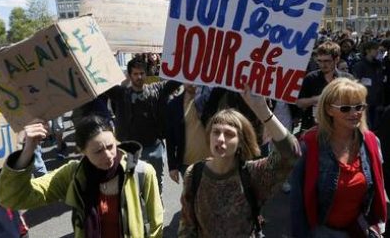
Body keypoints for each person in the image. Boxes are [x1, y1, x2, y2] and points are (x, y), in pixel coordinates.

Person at [0, 115, 163, 238]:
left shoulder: (142, 172)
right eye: (98, 151)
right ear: (81, 151)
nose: (108, 155)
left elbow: (156, 224)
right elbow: (12, 199)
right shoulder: (73, 175)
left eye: (111, 146)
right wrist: (27, 151)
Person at [178, 84, 300, 237]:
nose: (220, 139)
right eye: (216, 132)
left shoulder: (253, 174)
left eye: (229, 134)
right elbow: (187, 226)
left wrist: (264, 112)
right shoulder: (194, 173)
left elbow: (291, 154)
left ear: (241, 141)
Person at [291, 78, 386, 237]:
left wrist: (377, 226)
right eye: (345, 108)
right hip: (322, 231)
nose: (354, 113)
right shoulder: (309, 144)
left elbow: (378, 187)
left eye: (359, 106)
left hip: (358, 229)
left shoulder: (371, 141)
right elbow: (297, 203)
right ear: (329, 110)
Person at [105, 57, 180, 194]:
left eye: (142, 73)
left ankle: (157, 211)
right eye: (135, 74)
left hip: (154, 149)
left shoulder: (157, 90)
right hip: (130, 151)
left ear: (146, 74)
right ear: (129, 75)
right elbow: (100, 84)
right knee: (131, 186)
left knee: (156, 185)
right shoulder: (121, 94)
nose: (139, 77)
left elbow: (178, 80)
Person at [297, 41, 353, 132]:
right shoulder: (311, 78)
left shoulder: (347, 79)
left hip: (340, 127)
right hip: (314, 127)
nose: (323, 65)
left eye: (327, 61)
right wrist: (318, 99)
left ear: (336, 59)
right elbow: (299, 103)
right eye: (320, 61)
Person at [352, 41, 385, 130]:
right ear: (367, 50)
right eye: (375, 49)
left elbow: (381, 83)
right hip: (365, 102)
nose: (377, 51)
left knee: (376, 127)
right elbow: (356, 83)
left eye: (378, 49)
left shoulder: (378, 65)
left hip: (377, 102)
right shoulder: (359, 66)